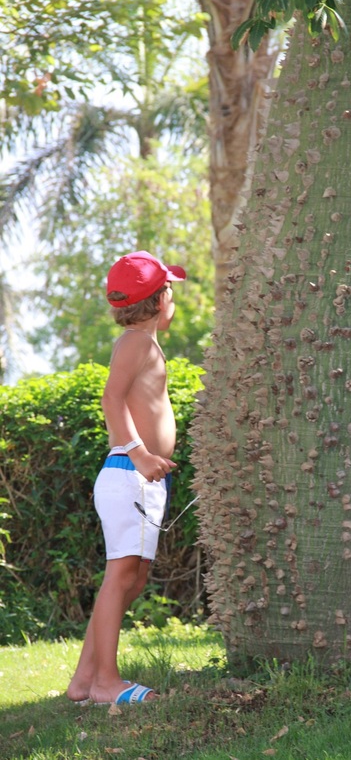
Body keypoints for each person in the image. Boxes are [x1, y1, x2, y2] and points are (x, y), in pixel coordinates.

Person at [66, 250, 186, 706]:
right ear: (159, 299)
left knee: (131, 580)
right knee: (121, 578)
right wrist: (140, 453)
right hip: (129, 473)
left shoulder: (141, 343)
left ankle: (85, 680)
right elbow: (111, 399)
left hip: (139, 478)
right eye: (170, 290)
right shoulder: (137, 343)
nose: (173, 299)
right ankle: (106, 683)